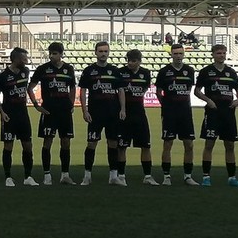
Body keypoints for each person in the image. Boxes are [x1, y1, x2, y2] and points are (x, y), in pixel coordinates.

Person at [195, 43, 238, 187]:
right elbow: (197, 91)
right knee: (209, 143)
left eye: (223, 53)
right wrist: (208, 100)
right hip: (213, 112)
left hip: (228, 112)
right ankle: (206, 177)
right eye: (218, 53)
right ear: (213, 55)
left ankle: (232, 178)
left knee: (230, 145)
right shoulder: (206, 71)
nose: (221, 55)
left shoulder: (231, 72)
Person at [78, 41, 126, 186]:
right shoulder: (89, 71)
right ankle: (87, 176)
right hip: (95, 114)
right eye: (100, 51)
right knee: (92, 143)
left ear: (108, 52)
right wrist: (85, 110)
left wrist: (123, 109)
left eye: (105, 51)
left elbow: (121, 90)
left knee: (113, 144)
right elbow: (83, 90)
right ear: (95, 53)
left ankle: (113, 176)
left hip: (112, 113)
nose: (103, 54)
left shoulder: (115, 71)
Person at [28, 41, 76, 185]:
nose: (52, 56)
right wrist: (36, 105)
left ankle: (65, 175)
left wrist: (71, 104)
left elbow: (72, 88)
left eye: (55, 53)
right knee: (47, 141)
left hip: (64, 112)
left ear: (61, 54)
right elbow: (30, 88)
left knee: (66, 142)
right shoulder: (43, 69)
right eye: (50, 53)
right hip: (49, 111)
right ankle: (47, 175)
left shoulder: (69, 69)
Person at [154, 43, 198, 185]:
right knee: (168, 143)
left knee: (189, 144)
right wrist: (166, 105)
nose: (178, 56)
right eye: (176, 54)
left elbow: (189, 88)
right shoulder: (164, 71)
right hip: (169, 113)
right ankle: (167, 176)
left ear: (184, 54)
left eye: (180, 53)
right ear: (171, 54)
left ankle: (188, 176)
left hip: (185, 112)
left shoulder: (189, 70)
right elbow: (158, 92)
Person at [0, 47, 37, 187]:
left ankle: (28, 177)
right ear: (16, 59)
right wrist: (1, 112)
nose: (26, 61)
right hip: (9, 115)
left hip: (23, 114)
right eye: (24, 59)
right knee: (8, 146)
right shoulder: (2, 76)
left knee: (28, 145)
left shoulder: (25, 72)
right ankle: (8, 177)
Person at [114, 49, 157, 186]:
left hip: (139, 112)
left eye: (133, 61)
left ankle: (147, 176)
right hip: (124, 113)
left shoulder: (145, 73)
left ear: (139, 61)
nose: (130, 63)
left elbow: (144, 89)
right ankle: (121, 175)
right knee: (122, 146)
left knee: (145, 145)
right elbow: (119, 90)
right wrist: (123, 108)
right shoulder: (120, 72)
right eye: (129, 60)